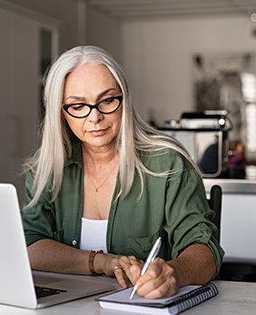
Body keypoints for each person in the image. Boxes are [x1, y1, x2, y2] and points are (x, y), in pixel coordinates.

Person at [21, 45, 224, 299]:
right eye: (78, 105)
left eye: (107, 100)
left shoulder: (169, 163)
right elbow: (30, 246)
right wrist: (101, 262)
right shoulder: (46, 168)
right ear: (61, 113)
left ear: (124, 100)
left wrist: (175, 272)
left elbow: (205, 250)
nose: (94, 117)